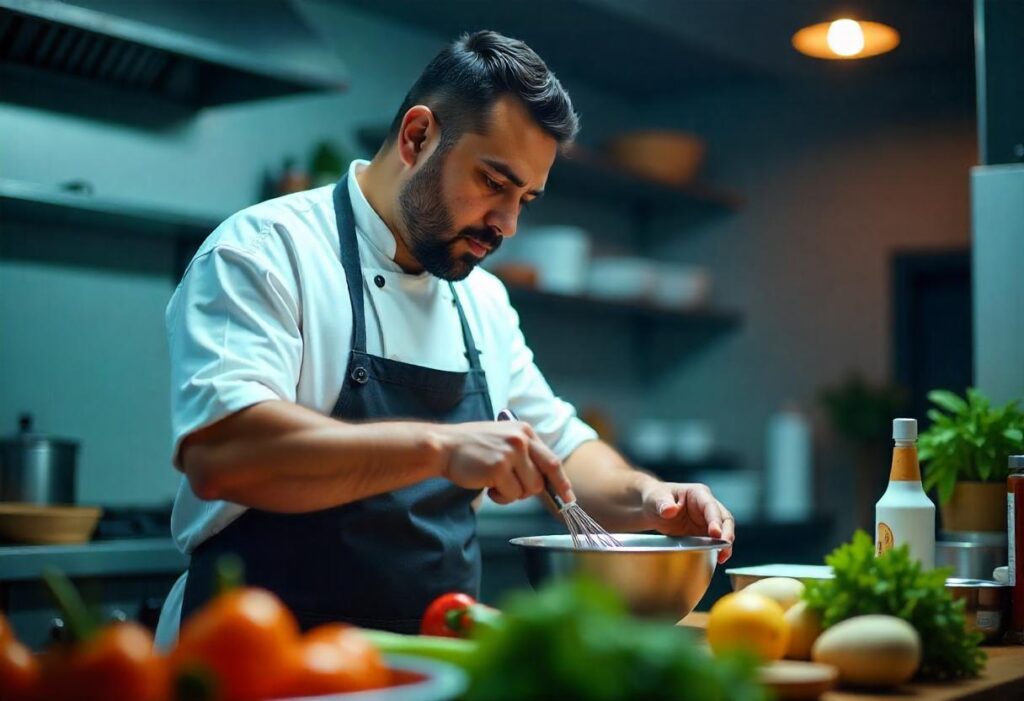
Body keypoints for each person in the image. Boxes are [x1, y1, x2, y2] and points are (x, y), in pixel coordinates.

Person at [155, 30, 734, 648]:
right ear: (417, 137)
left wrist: (650, 499)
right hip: (256, 666)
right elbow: (222, 454)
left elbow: (562, 449)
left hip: (434, 666)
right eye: (493, 182)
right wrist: (440, 447)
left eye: (525, 199)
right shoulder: (267, 250)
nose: (507, 224)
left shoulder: (481, 299)